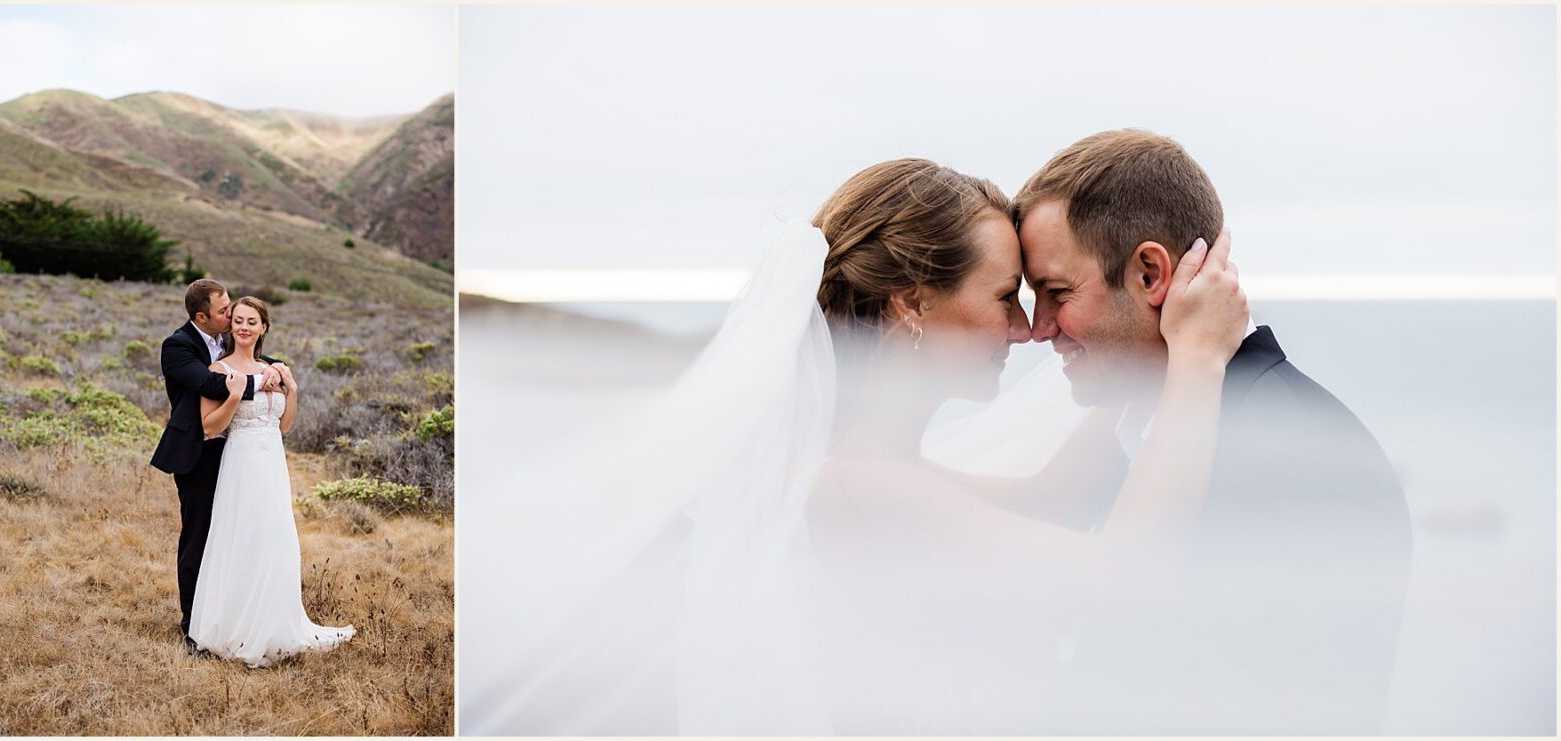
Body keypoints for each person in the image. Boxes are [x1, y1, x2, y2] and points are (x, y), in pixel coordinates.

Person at [472, 157, 1248, 734]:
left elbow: (1057, 495)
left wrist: (1140, 344)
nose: (1027, 327)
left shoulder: (884, 473)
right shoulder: (855, 487)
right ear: (912, 302)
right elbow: (1127, 574)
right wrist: (1204, 361)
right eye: (1002, 296)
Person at [1009, 129, 1412, 733]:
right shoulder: (1137, 434)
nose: (1040, 329)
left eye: (1057, 293)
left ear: (1150, 274)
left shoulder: (1300, 454)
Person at [187, 297, 355, 667]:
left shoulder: (273, 369)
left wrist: (291, 388)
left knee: (277, 540)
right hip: (242, 463)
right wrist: (234, 395)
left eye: (253, 321)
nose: (244, 327)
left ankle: (277, 624)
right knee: (245, 539)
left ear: (264, 327)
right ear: (231, 326)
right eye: (239, 320)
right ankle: (238, 627)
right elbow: (210, 426)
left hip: (273, 464)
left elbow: (286, 425)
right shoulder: (217, 369)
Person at [149, 279, 286, 648]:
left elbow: (249, 353)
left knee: (234, 534)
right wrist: (269, 382)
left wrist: (276, 366)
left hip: (237, 450)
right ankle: (194, 624)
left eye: (230, 308)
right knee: (199, 536)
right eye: (224, 311)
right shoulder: (177, 347)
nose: (231, 316)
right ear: (201, 316)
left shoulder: (225, 336)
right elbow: (211, 384)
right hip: (199, 451)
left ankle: (235, 614)